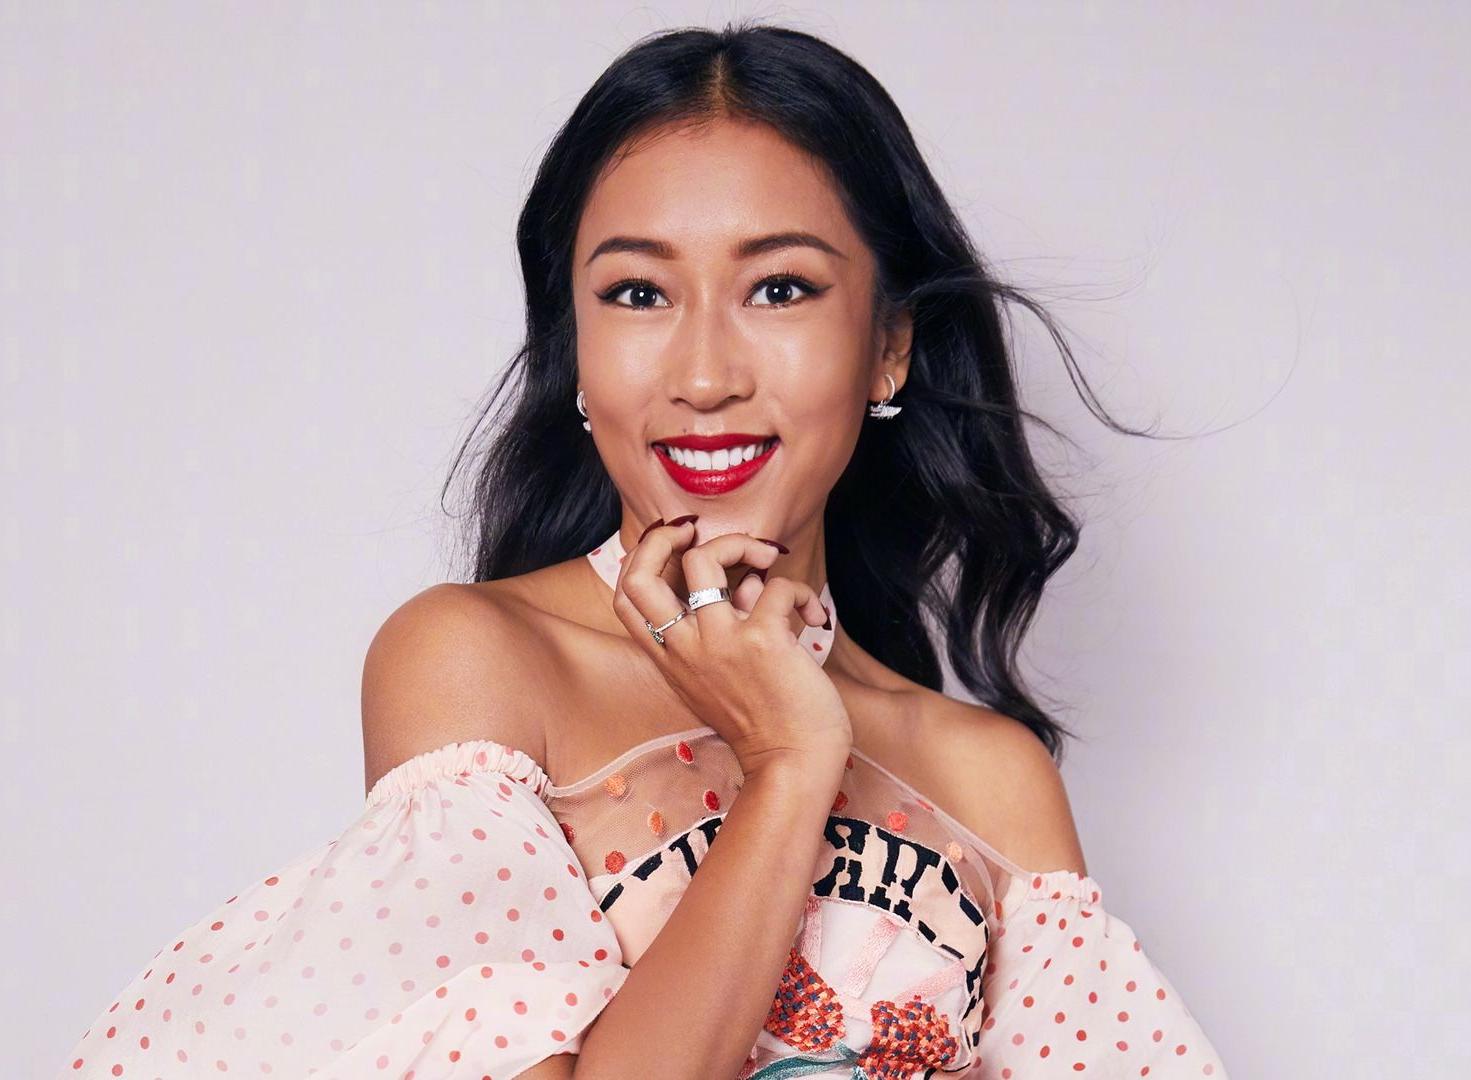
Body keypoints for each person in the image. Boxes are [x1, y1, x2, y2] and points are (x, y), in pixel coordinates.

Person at [59, 21, 1230, 1080]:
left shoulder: (989, 781)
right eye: (636, 294)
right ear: (574, 348)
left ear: (888, 346)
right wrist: (789, 763)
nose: (704, 376)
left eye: (779, 288)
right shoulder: (478, 663)